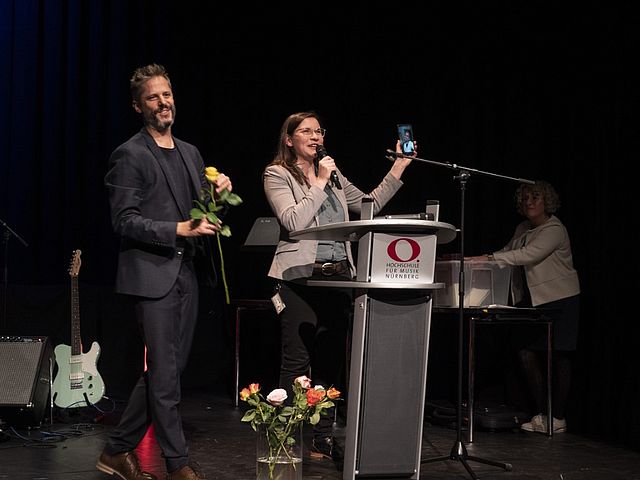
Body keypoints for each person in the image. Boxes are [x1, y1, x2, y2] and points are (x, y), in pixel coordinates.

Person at [98, 63, 232, 480]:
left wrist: (217, 196)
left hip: (187, 273)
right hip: (151, 275)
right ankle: (178, 465)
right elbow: (124, 220)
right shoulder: (130, 154)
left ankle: (116, 451)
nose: (163, 102)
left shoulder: (191, 153)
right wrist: (176, 229)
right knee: (166, 376)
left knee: (165, 373)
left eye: (167, 94)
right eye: (153, 97)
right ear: (138, 106)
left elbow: (201, 213)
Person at [263, 111, 412, 462]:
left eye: (319, 131)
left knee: (331, 360)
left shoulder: (334, 175)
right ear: (289, 140)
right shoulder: (277, 174)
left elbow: (367, 207)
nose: (315, 137)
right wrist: (319, 182)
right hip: (297, 276)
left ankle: (322, 438)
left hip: (338, 275)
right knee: (297, 359)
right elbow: (293, 221)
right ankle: (287, 436)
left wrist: (400, 167)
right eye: (306, 131)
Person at [468, 180, 580, 434]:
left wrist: (489, 258)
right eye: (525, 198)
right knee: (525, 351)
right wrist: (479, 261)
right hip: (536, 300)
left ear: (547, 201)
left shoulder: (554, 229)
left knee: (559, 355)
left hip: (561, 298)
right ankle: (544, 413)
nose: (529, 202)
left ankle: (558, 417)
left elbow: (527, 255)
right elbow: (508, 252)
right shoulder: (523, 228)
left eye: (535, 197)